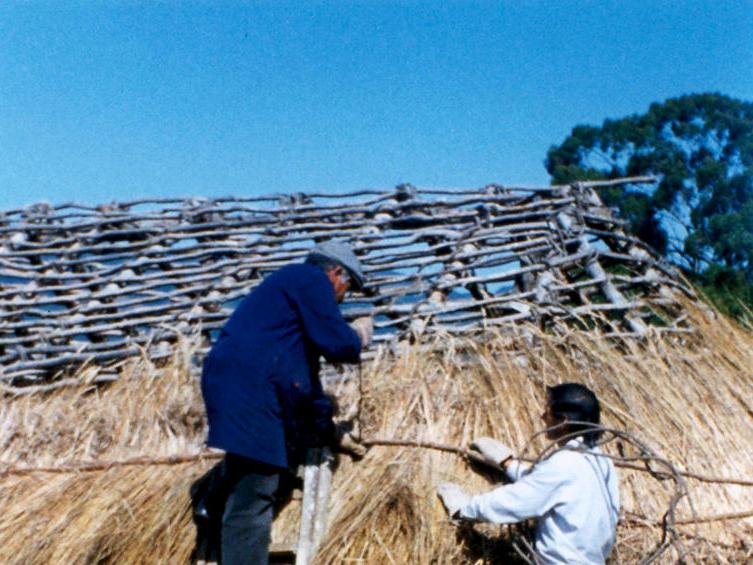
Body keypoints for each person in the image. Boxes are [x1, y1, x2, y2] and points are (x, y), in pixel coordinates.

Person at [199, 240, 373, 565]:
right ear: (336, 272)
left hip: (239, 382)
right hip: (252, 386)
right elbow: (337, 343)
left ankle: (209, 500)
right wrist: (359, 337)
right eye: (347, 287)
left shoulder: (286, 313)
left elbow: (306, 384)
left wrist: (328, 430)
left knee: (255, 462)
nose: (343, 297)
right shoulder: (310, 280)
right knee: (258, 486)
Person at [437, 383, 620, 565]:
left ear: (563, 420)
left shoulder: (565, 463)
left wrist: (465, 508)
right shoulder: (600, 460)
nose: (542, 417)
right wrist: (507, 464)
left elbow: (516, 501)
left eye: (547, 412)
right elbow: (548, 487)